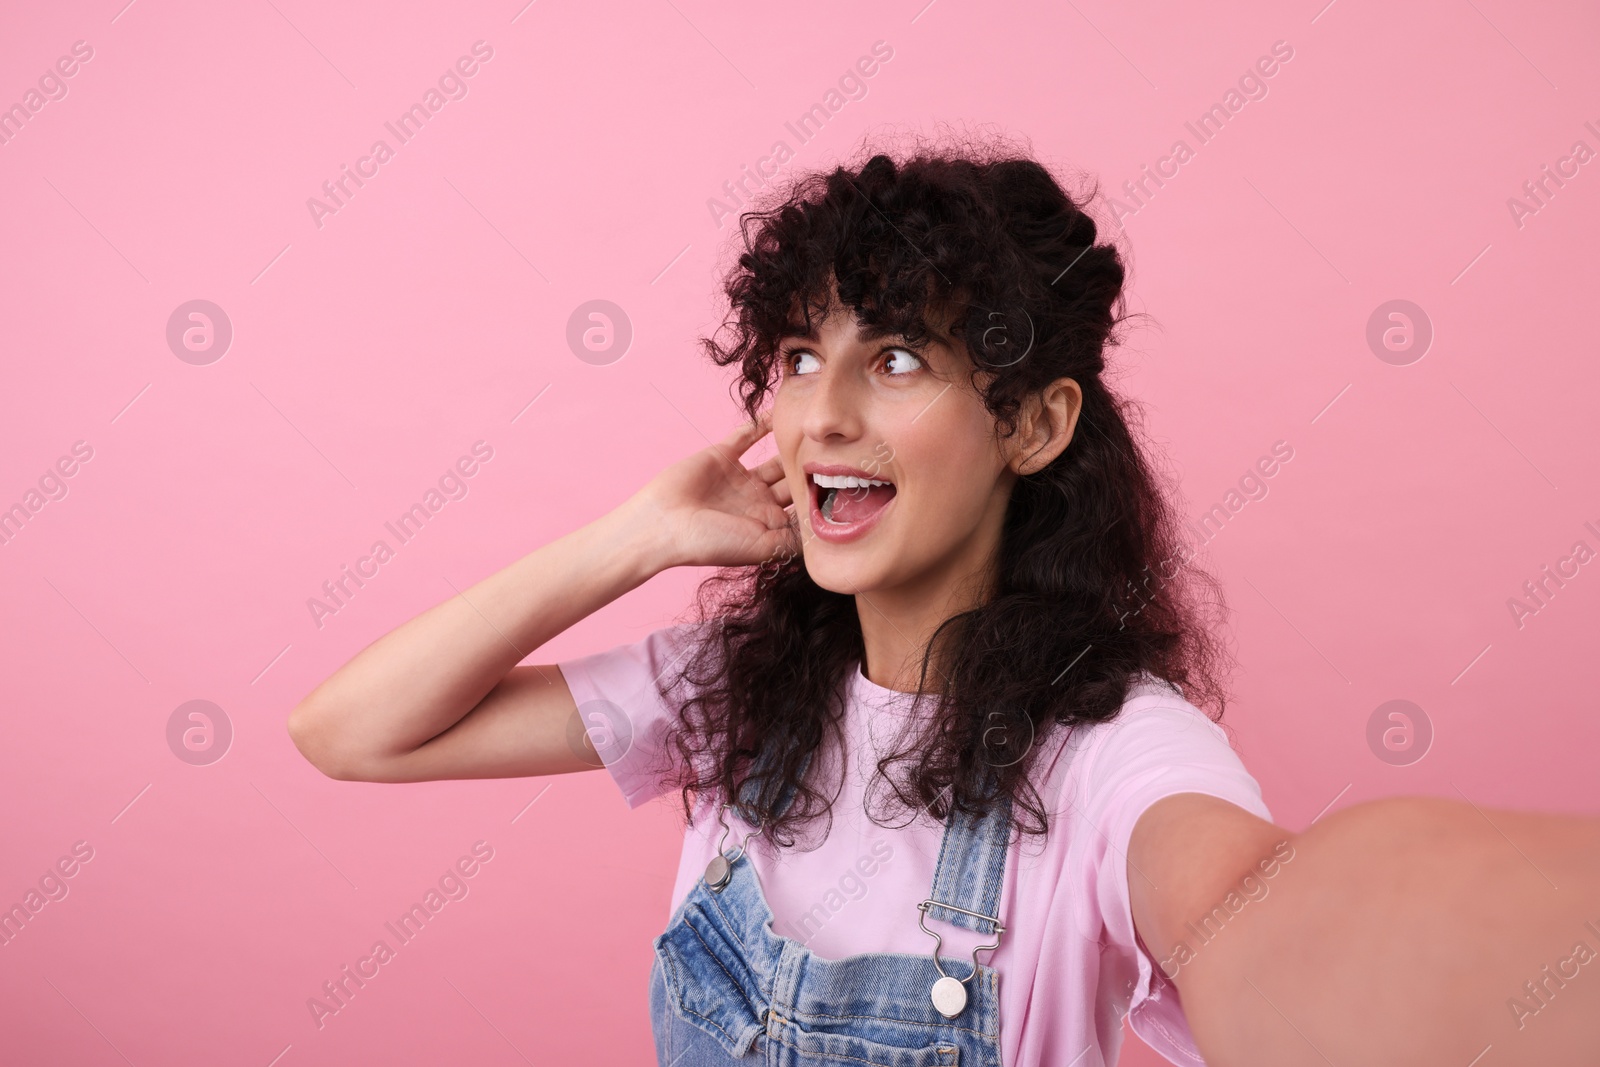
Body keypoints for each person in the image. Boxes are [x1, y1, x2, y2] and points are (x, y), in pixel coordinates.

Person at [287, 138, 1600, 1066]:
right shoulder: (732, 694)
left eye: (898, 356)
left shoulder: (1110, 753)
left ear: (1032, 424)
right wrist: (635, 537)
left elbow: (1266, 913)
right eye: (800, 357)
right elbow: (351, 732)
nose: (823, 416)